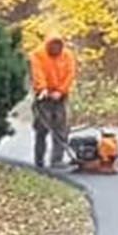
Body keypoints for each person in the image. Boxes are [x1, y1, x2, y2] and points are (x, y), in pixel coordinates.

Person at [28, 34, 78, 170]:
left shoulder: (67, 55)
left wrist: (61, 91)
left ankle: (57, 159)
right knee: (42, 128)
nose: (55, 49)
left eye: (58, 46)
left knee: (61, 128)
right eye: (53, 46)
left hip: (60, 95)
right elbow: (37, 73)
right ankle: (39, 159)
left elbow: (70, 74)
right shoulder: (37, 55)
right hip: (43, 96)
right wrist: (42, 88)